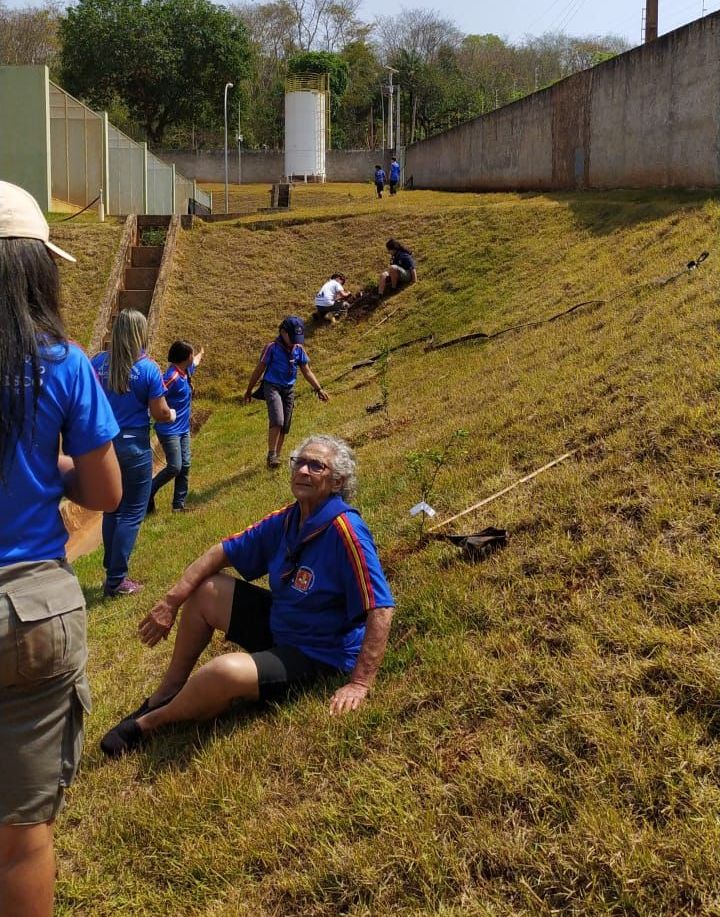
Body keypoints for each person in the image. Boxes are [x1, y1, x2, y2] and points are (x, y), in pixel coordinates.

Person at [99, 434, 395, 757]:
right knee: (206, 590)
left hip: (318, 654)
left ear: (337, 482)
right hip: (282, 626)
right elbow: (221, 552)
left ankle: (153, 722)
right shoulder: (289, 519)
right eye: (299, 462)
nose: (304, 471)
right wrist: (171, 602)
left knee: (224, 671)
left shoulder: (346, 530)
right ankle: (165, 693)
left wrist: (360, 683)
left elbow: (380, 607)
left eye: (316, 466)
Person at [0, 180, 122, 917]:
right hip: (34, 610)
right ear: (38, 269)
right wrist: (54, 464)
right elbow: (105, 492)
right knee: (21, 837)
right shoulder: (66, 364)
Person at [91, 310, 174, 596]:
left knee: (111, 508)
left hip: (104, 445)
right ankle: (117, 579)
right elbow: (159, 412)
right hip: (134, 445)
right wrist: (171, 414)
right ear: (140, 332)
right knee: (131, 512)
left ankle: (110, 568)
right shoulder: (147, 368)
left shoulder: (98, 362)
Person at [243, 316, 329, 469]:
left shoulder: (298, 349)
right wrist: (249, 391)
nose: (295, 341)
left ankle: (276, 456)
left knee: (285, 425)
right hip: (272, 386)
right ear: (283, 332)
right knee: (278, 419)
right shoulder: (272, 348)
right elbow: (258, 370)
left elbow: (307, 371)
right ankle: (271, 454)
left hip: (288, 390)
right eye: (292, 337)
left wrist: (319, 389)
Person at [148, 340, 205, 514]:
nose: (192, 356)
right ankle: (147, 493)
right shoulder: (171, 377)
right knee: (175, 466)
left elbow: (195, 362)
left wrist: (201, 353)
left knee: (185, 465)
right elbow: (156, 395)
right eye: (191, 353)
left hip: (183, 429)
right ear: (184, 356)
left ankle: (178, 506)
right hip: (169, 430)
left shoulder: (185, 372)